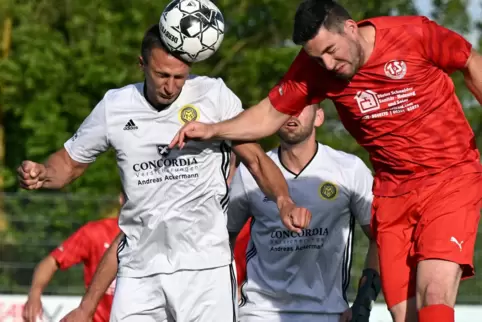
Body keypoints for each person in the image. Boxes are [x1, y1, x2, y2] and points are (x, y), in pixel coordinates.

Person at [169, 1, 482, 321]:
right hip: (393, 189)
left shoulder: (413, 33)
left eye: (332, 51)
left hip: (450, 177)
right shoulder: (313, 68)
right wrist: (213, 129)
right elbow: (267, 116)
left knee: (434, 291)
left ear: (350, 28)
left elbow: (470, 62)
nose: (329, 64)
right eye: (319, 57)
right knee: (405, 314)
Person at [17, 23, 310, 322]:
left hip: (205, 267)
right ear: (142, 64)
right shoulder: (114, 107)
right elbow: (68, 165)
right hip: (139, 269)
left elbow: (257, 160)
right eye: (162, 75)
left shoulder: (214, 96)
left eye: (179, 77)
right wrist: (42, 172)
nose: (171, 86)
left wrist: (283, 200)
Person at [229, 103, 379, 322]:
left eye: (300, 107)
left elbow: (381, 237)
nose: (291, 114)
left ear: (318, 116)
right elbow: (224, 238)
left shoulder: (349, 169)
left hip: (328, 313)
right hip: (259, 312)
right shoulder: (249, 173)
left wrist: (363, 303)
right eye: (286, 107)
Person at [22, 193, 124, 322]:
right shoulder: (95, 233)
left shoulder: (152, 237)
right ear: (122, 198)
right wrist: (34, 295)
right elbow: (51, 261)